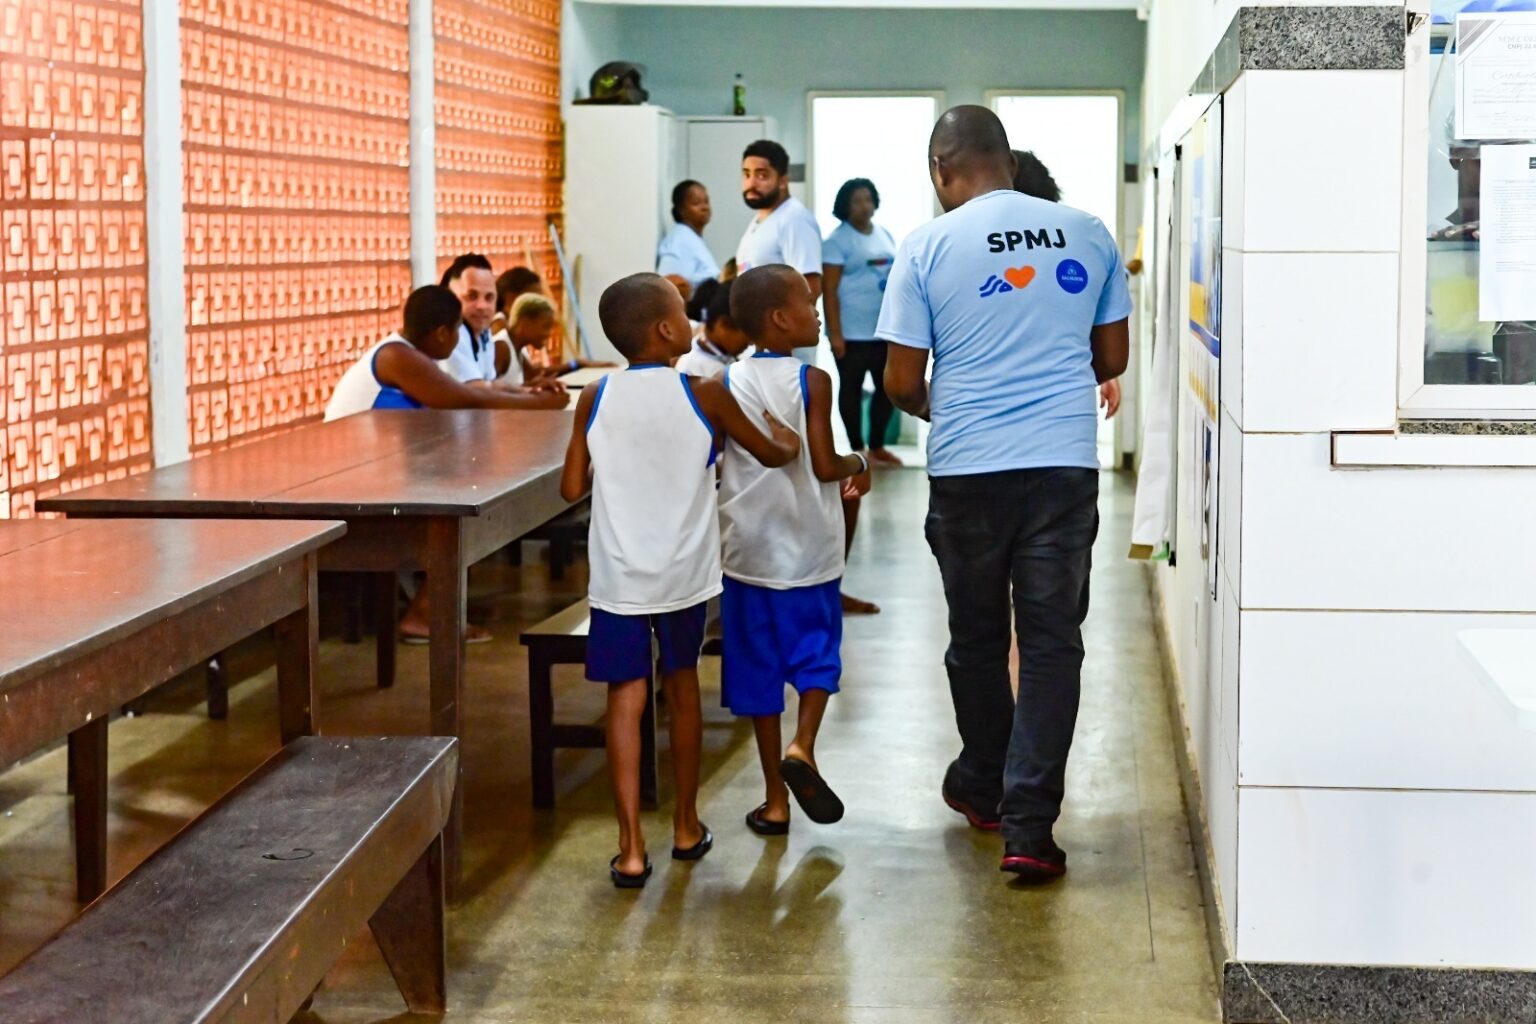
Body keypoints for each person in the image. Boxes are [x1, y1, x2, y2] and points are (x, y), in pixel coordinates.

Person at [880, 106, 1130, 882]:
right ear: (1009, 164)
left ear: (941, 171)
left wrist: (944, 406)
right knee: (1053, 646)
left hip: (967, 472)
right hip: (1062, 466)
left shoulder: (924, 245)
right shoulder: (1087, 231)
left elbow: (898, 381)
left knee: (978, 641)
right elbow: (1109, 355)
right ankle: (1029, 827)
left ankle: (984, 784)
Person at [560, 272, 800, 888]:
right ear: (667, 330)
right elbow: (773, 454)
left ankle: (631, 848)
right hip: (686, 577)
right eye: (683, 315)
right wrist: (783, 431)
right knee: (682, 683)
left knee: (625, 696)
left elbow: (570, 488)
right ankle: (686, 826)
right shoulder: (706, 394)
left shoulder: (594, 397)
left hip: (620, 577)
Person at [720, 265, 872, 836]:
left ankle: (774, 802)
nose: (817, 312)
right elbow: (827, 464)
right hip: (809, 548)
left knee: (759, 675)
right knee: (815, 656)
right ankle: (803, 745)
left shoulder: (725, 382)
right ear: (781, 320)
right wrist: (863, 464)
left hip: (748, 552)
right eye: (810, 305)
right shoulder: (813, 381)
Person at [739, 140, 878, 615]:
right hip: (760, 363)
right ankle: (793, 581)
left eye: (762, 174)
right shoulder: (760, 223)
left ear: (782, 177)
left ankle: (822, 583)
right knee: (785, 482)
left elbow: (812, 285)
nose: (752, 182)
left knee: (809, 482)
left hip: (787, 368)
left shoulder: (795, 219)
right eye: (747, 173)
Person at [326, 285, 572, 421]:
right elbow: (465, 399)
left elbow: (480, 389)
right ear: (443, 333)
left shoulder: (412, 355)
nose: (459, 338)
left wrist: (528, 391)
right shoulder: (397, 357)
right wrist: (538, 404)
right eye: (458, 329)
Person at [1010, 150, 1122, 420]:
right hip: (1066, 424)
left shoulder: (975, 249)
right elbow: (1107, 351)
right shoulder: (1083, 241)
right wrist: (1101, 372)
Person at [822, 177, 900, 465]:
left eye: (868, 199)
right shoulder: (836, 241)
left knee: (887, 389)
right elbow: (829, 291)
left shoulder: (884, 235)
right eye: (856, 200)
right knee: (851, 390)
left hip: (882, 332)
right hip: (851, 334)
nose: (864, 206)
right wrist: (836, 335)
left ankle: (878, 446)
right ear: (845, 205)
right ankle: (858, 447)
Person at [439, 253, 565, 408]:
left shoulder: (483, 333)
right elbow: (476, 391)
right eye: (471, 296)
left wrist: (529, 390)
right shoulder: (453, 334)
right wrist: (538, 401)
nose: (482, 306)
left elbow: (491, 385)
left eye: (489, 297)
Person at [508, 293, 613, 381]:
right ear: (525, 323)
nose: (548, 334)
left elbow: (536, 373)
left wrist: (577, 364)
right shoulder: (502, 348)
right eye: (545, 327)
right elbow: (491, 392)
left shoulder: (518, 349)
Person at [657, 180, 721, 297]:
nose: (705, 207)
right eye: (696, 202)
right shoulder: (678, 241)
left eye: (706, 201)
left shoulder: (692, 238)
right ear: (681, 209)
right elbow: (669, 288)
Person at [676, 278, 751, 377]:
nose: (751, 341)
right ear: (723, 325)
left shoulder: (723, 354)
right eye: (748, 332)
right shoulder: (694, 371)